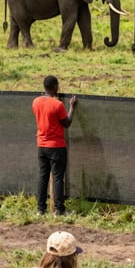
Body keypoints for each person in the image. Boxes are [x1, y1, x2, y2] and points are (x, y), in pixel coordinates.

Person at [32, 75, 77, 216]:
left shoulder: (36, 101)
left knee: (43, 176)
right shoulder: (57, 105)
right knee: (58, 178)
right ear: (55, 87)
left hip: (41, 145)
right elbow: (67, 123)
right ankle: (59, 209)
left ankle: (40, 209)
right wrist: (72, 107)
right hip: (56, 146)